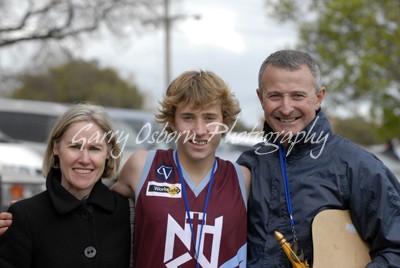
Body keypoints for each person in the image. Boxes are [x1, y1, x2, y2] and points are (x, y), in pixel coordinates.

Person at [237, 49, 400, 267]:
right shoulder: (248, 166)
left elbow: (395, 249)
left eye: (298, 95)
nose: (286, 108)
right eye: (275, 96)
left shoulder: (358, 167)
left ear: (319, 97)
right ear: (260, 98)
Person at [112, 70, 251, 267]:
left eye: (210, 118)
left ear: (224, 121)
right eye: (188, 117)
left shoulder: (242, 178)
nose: (200, 130)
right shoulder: (142, 167)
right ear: (172, 121)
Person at [0, 103, 131, 268]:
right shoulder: (25, 216)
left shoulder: (127, 212)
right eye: (75, 146)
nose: (84, 159)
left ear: (108, 152)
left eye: (95, 149)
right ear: (56, 148)